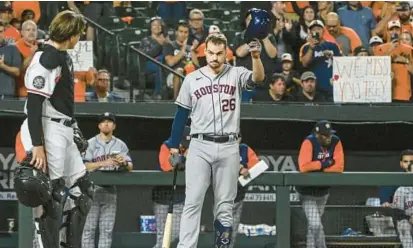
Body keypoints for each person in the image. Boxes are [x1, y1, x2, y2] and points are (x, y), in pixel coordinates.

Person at [168, 32, 265, 248]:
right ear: (204, 52)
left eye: (219, 54)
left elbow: (258, 79)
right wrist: (174, 147)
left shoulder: (237, 73)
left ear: (226, 53)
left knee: (224, 205)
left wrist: (256, 57)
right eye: (210, 53)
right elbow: (181, 115)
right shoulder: (192, 78)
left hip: (230, 145)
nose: (214, 58)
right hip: (200, 144)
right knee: (192, 201)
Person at [13, 10, 93, 248]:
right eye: (77, 33)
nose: (78, 38)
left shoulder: (59, 55)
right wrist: (37, 146)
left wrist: (74, 127)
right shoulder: (47, 58)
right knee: (54, 195)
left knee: (84, 191)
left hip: (63, 126)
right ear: (70, 36)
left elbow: (62, 100)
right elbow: (35, 104)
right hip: (48, 128)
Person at [82, 112, 132, 248]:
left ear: (114, 126)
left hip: (110, 191)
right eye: (103, 121)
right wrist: (102, 163)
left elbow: (130, 166)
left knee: (107, 231)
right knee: (89, 229)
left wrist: (124, 163)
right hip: (92, 190)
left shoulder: (120, 145)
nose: (106, 124)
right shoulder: (90, 143)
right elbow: (84, 166)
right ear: (99, 125)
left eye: (109, 121)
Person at [297, 120, 345, 248]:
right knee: (315, 224)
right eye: (325, 135)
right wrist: (326, 163)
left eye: (329, 134)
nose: (328, 138)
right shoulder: (309, 142)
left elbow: (339, 167)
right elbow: (304, 167)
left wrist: (318, 168)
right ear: (317, 134)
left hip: (323, 192)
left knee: (312, 227)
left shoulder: (336, 141)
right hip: (306, 192)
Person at [152, 126, 190, 248]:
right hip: (161, 197)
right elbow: (166, 167)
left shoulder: (191, 149)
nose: (185, 146)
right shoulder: (167, 146)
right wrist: (183, 158)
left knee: (175, 232)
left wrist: (187, 156)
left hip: (179, 196)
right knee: (161, 237)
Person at [230, 134, 259, 248]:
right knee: (224, 230)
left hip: (239, 196)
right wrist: (239, 168)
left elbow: (256, 164)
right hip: (222, 198)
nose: (235, 140)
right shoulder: (221, 148)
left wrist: (245, 166)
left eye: (237, 137)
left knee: (233, 232)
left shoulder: (244, 148)